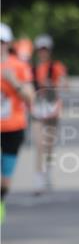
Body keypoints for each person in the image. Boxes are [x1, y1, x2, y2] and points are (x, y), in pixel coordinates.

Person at [1, 23, 34, 221]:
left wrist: (14, 82)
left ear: (8, 44)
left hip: (13, 127)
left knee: (5, 178)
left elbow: (31, 98)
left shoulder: (19, 67)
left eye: (1, 42)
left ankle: (1, 201)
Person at [31, 34, 68, 194]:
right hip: (37, 109)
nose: (43, 52)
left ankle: (48, 173)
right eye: (40, 49)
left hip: (52, 109)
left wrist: (53, 85)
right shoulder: (31, 68)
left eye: (45, 49)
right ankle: (39, 179)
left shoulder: (56, 67)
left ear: (50, 51)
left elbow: (64, 84)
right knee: (39, 144)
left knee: (49, 144)